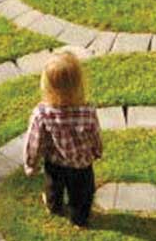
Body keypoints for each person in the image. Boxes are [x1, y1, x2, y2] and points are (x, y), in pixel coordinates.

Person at [23, 52, 103, 227]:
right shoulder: (87, 111)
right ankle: (79, 218)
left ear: (46, 86)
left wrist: (31, 163)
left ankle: (54, 206)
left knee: (53, 187)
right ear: (79, 84)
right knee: (82, 194)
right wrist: (97, 151)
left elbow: (34, 142)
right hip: (82, 165)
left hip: (54, 163)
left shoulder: (42, 114)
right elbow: (95, 134)